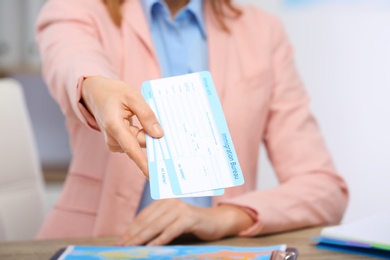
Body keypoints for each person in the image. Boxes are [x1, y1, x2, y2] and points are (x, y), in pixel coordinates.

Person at [35, 0, 348, 245]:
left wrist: (227, 217)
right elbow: (71, 59)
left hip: (219, 249)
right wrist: (95, 89)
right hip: (99, 241)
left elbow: (325, 189)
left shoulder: (262, 31)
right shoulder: (73, 10)